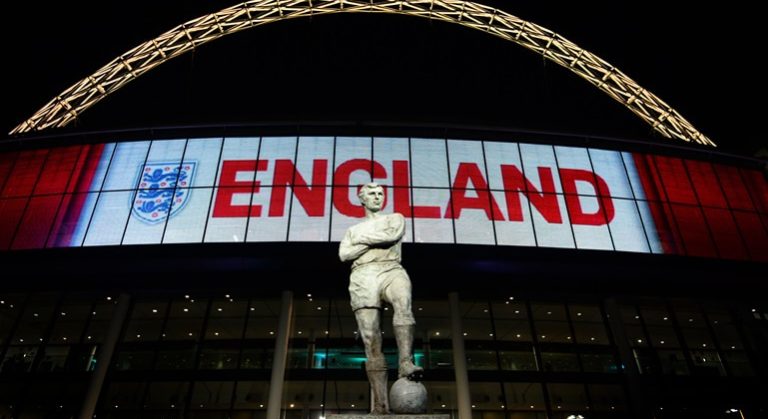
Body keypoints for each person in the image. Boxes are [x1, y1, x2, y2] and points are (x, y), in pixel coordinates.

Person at [339, 182, 423, 414]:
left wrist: (362, 242)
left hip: (391, 268)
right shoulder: (352, 230)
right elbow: (344, 254)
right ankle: (380, 405)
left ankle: (405, 361)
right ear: (361, 199)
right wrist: (374, 240)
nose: (377, 197)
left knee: (403, 304)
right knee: (371, 339)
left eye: (380, 194)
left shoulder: (395, 218)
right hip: (363, 275)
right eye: (372, 194)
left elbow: (392, 235)